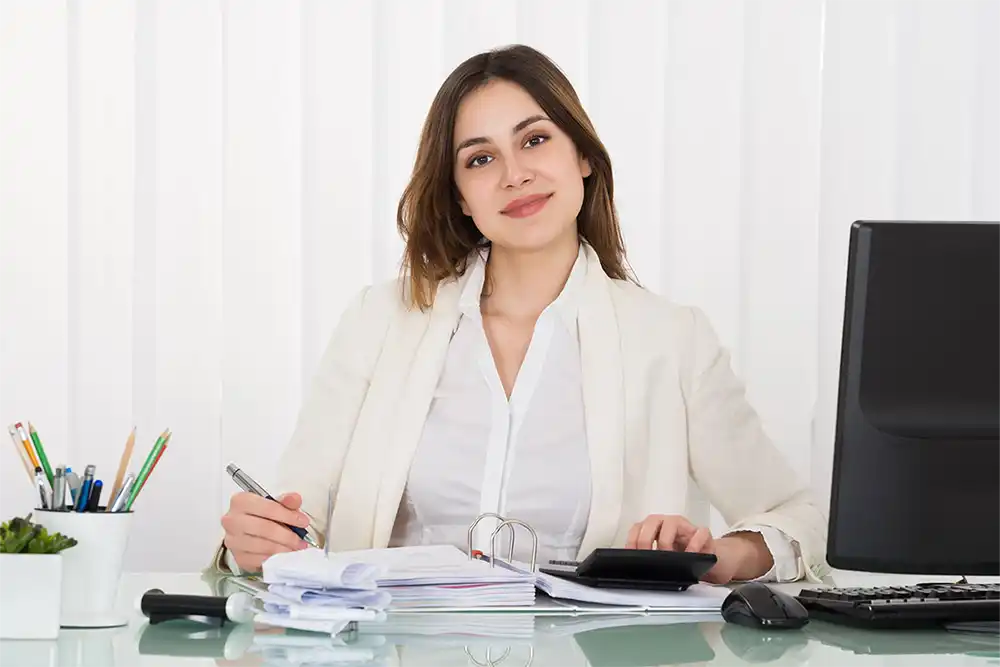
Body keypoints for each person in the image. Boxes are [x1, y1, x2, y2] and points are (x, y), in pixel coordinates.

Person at [215, 44, 830, 584]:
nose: (516, 175)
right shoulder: (380, 322)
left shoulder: (672, 339)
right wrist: (255, 541)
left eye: (535, 140)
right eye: (480, 159)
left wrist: (721, 554)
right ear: (460, 195)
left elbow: (796, 518)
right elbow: (292, 521)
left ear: (583, 157)